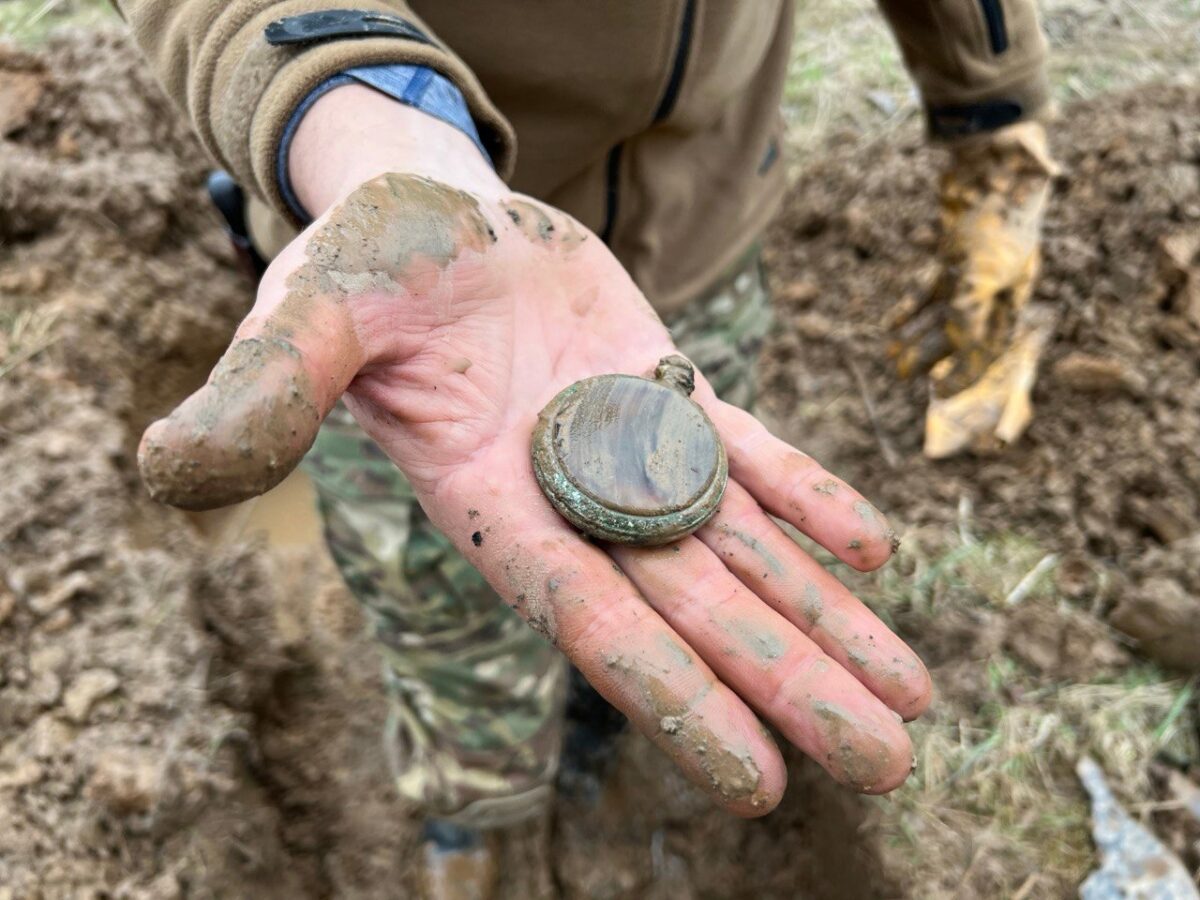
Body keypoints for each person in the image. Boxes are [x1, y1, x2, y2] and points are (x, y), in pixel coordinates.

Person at [116, 2, 1054, 896]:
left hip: (703, 241)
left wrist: (992, 95)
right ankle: (472, 803)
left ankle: (598, 733)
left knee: (645, 612)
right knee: (440, 606)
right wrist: (366, 117)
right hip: (425, 313)